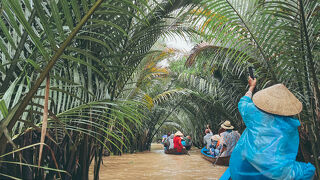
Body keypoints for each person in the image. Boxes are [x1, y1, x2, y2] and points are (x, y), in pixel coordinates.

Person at [229, 77, 315, 179]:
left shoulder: (252, 113)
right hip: (275, 173)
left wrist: (251, 86)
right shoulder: (290, 127)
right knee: (310, 170)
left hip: (240, 170)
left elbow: (243, 102)